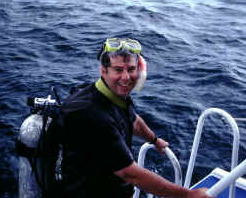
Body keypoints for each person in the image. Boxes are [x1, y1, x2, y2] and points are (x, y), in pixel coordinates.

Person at [58, 38, 212, 198]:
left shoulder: (112, 94)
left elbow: (133, 119)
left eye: (131, 69)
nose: (126, 77)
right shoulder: (93, 115)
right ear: (103, 71)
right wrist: (188, 195)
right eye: (118, 70)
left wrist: (154, 140)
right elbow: (129, 173)